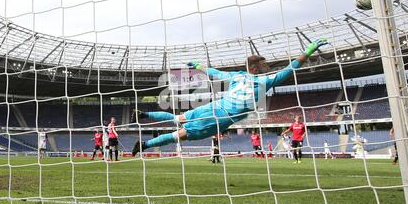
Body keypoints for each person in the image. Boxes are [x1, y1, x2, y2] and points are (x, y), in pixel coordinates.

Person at [130, 39, 328, 155]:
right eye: (264, 66)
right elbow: (291, 68)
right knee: (179, 135)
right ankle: (145, 144)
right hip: (221, 117)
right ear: (254, 68)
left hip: (215, 106)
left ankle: (143, 115)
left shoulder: (236, 76)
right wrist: (308, 51)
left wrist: (199, 66)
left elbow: (214, 73)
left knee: (177, 119)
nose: (267, 68)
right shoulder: (266, 80)